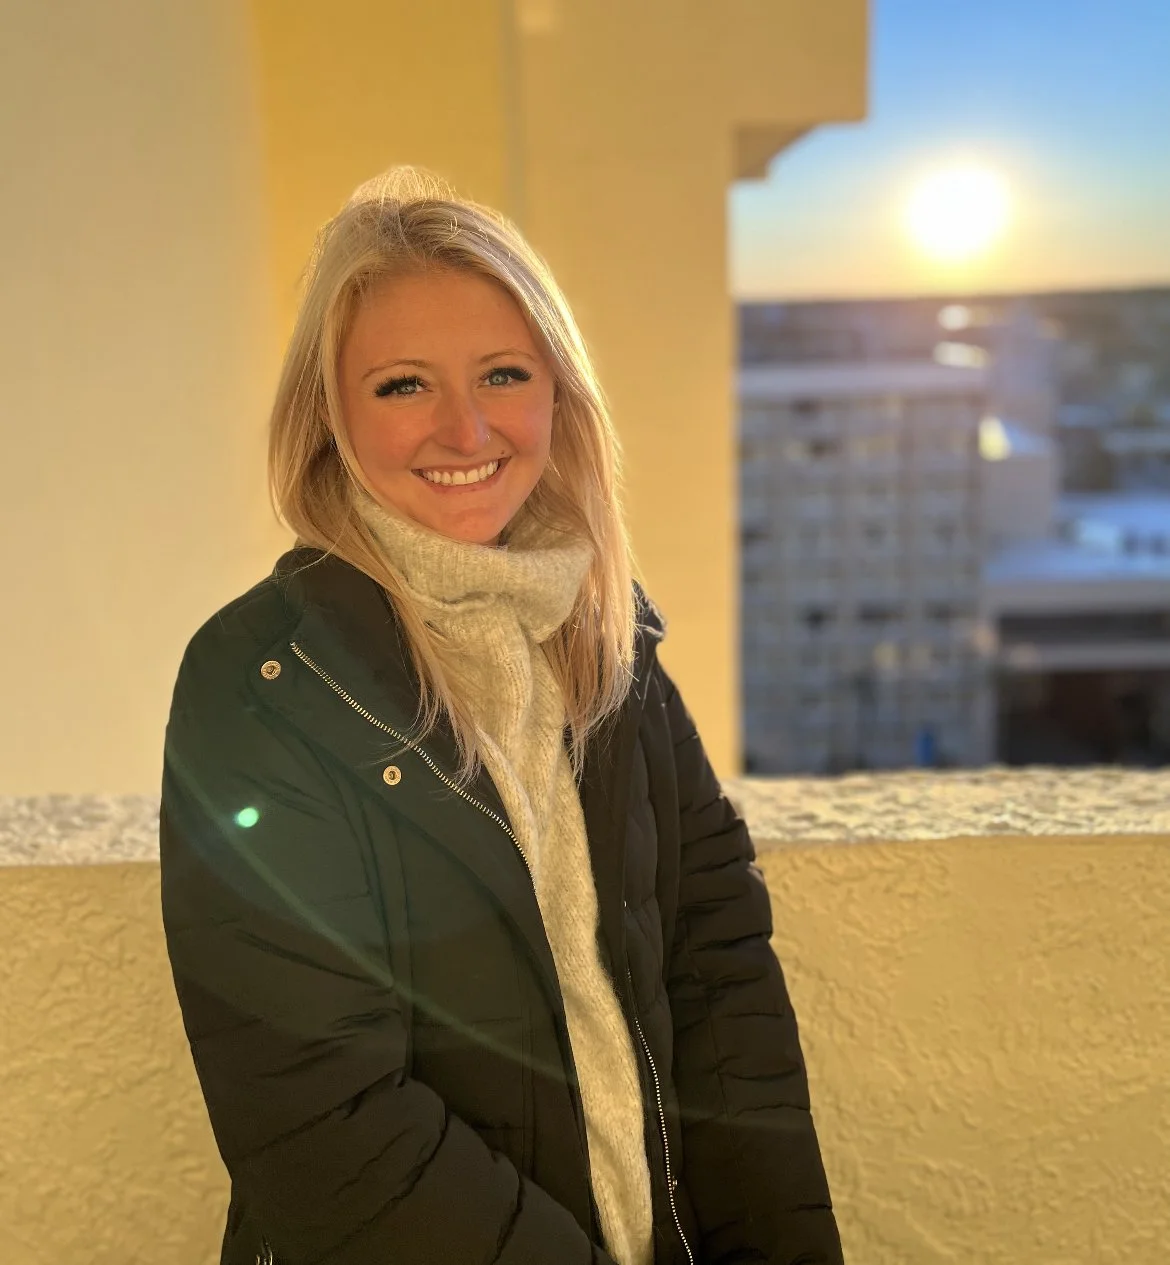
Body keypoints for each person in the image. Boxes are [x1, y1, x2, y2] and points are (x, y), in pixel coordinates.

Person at [159, 165, 842, 1265]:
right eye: (402, 385)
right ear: (329, 415)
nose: (465, 426)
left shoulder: (610, 641)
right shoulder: (263, 683)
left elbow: (722, 981)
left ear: (558, 394)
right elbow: (323, 1121)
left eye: (504, 373)